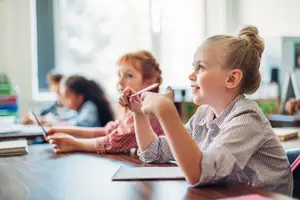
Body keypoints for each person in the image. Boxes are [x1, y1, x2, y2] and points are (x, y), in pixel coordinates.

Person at [120, 26, 293, 195]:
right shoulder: (204, 114)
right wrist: (139, 113)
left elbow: (200, 173)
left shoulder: (247, 119)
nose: (191, 75)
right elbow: (153, 152)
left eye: (200, 67)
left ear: (232, 79)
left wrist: (166, 112)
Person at [46, 50, 164, 154]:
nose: (120, 82)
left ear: (149, 81)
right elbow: (107, 131)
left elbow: (112, 142)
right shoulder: (132, 111)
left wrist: (73, 144)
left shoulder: (148, 112)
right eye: (119, 75)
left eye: (129, 75)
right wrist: (61, 130)